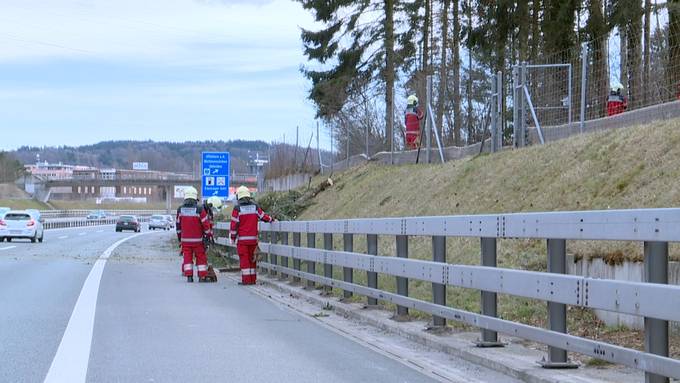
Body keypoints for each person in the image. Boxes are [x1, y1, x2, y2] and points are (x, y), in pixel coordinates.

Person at [230, 185, 274, 285]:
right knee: (252, 259)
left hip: (242, 240)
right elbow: (263, 216)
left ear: (238, 197)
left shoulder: (237, 208)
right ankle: (253, 280)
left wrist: (232, 238)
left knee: (244, 260)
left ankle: (246, 280)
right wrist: (272, 219)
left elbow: (234, 225)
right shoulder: (255, 206)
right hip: (253, 240)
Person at [176, 186, 211, 283]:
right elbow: (206, 225)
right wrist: (208, 236)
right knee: (201, 258)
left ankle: (189, 277)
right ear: (195, 198)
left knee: (187, 258)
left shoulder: (180, 209)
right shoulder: (199, 209)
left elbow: (178, 226)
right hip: (198, 240)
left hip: (185, 240)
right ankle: (202, 277)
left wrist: (180, 239)